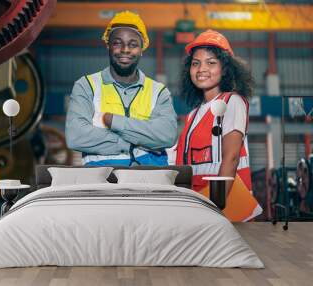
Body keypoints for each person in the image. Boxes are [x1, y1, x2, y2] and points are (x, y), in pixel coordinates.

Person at [66, 11, 177, 166]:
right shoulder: (86, 86)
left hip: (150, 181)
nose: (125, 49)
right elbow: (76, 137)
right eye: (118, 43)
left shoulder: (158, 91)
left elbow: (167, 136)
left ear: (142, 49)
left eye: (133, 44)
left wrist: (114, 122)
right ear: (108, 46)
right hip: (102, 181)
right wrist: (131, 143)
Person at [175, 29, 261, 221]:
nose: (201, 69)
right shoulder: (193, 115)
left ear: (225, 69)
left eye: (211, 62)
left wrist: (215, 209)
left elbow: (231, 158)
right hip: (198, 205)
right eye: (196, 63)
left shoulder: (232, 102)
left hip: (226, 208)